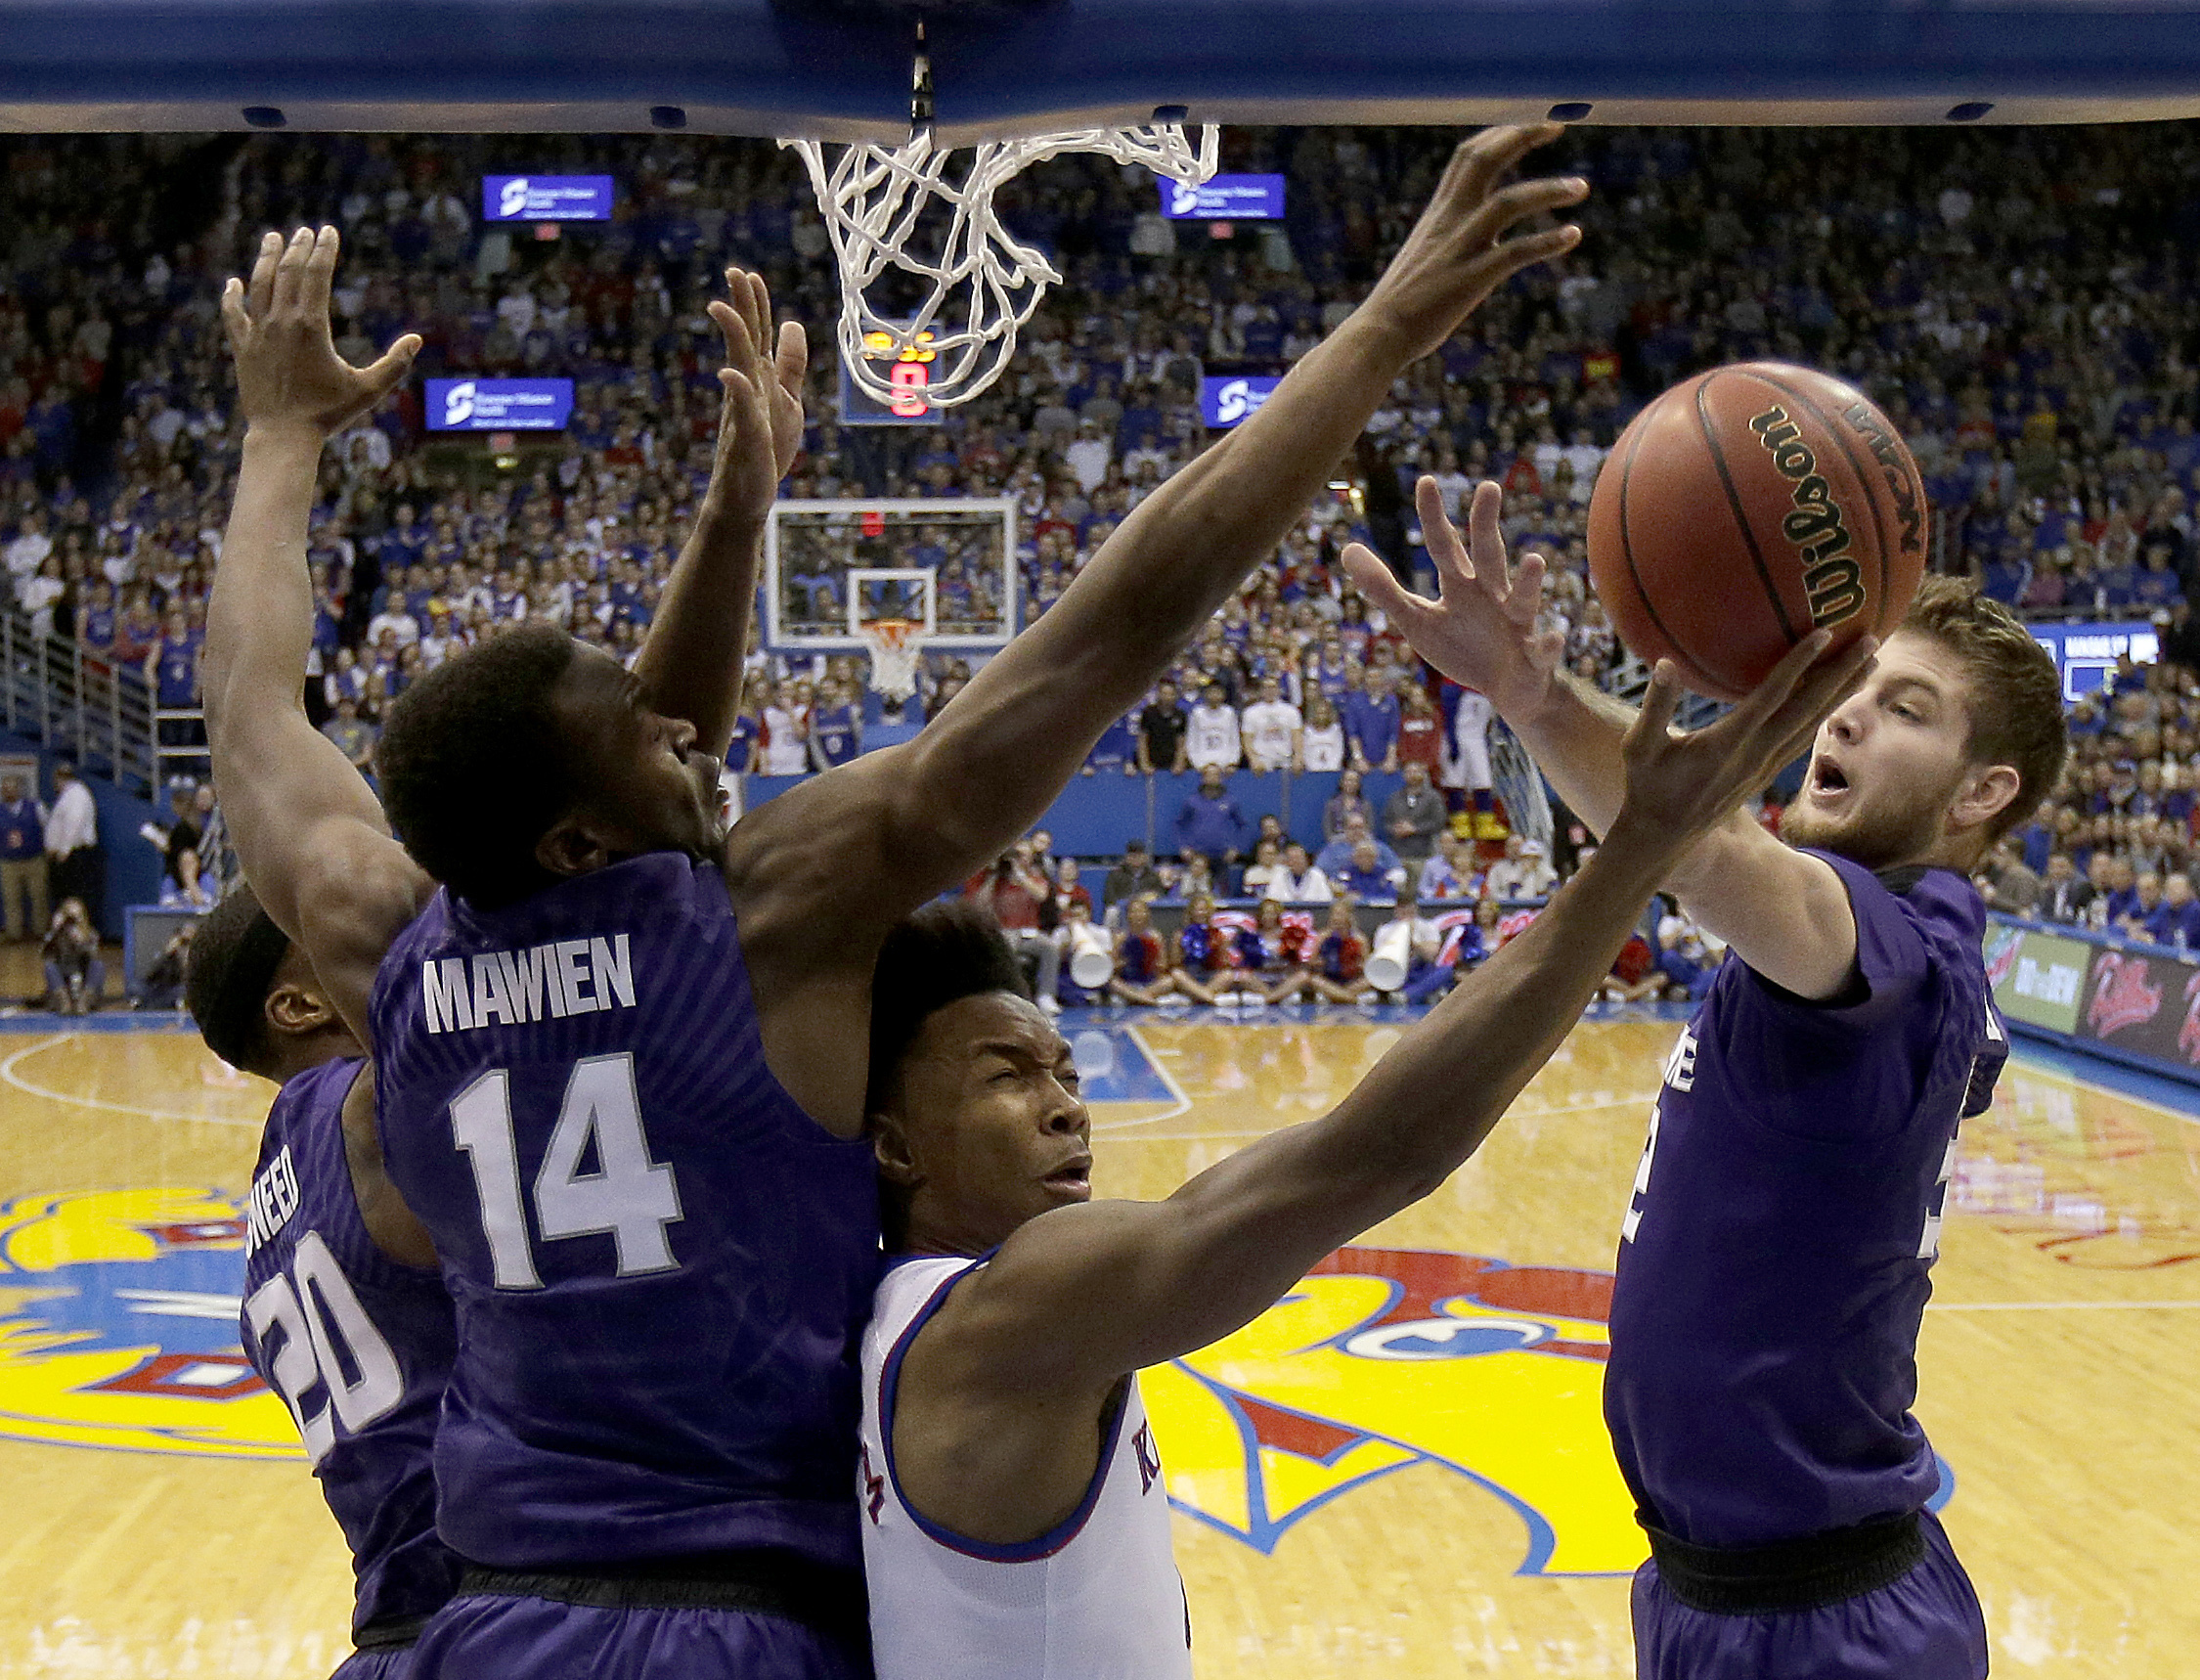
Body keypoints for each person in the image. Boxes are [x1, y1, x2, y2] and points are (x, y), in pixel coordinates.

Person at [223, 129, 1591, 1680]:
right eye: (645, 724)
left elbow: (258, 723)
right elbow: (1115, 625)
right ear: (576, 831)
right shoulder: (768, 918)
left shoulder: (387, 943)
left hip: (489, 1615)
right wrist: (1387, 323)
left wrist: (278, 439)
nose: (687, 725)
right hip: (739, 1625)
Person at [855, 636, 1857, 1675]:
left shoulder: (903, 1312)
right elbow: (1381, 1151)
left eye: (1065, 1072)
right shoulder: (1001, 1322)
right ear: (893, 1145)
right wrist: (1641, 843)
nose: (1067, 1108)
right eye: (1008, 1076)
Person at [1344, 468, 2067, 1680]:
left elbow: (1707, 851)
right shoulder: (1850, 947)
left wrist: (1527, 688)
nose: (1843, 719)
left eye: (1907, 708)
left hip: (1834, 1626)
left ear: (1982, 792)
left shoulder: (1903, 952)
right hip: (1700, 1591)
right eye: (1850, 688)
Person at [184, 883, 462, 1672]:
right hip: (498, 1609)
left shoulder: (263, 1246)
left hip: (393, 1635)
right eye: (336, 928)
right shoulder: (369, 1111)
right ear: (301, 1006)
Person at [45, 759, 100, 926]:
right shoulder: (68, 795)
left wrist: (64, 851)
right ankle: (69, 931)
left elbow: (74, 824)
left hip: (76, 854)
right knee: (67, 897)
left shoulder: (77, 794)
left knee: (75, 897)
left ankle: (79, 933)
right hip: (70, 854)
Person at [1173, 763, 1250, 875]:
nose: (1213, 778)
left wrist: (1236, 848)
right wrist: (1183, 847)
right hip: (1197, 856)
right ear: (1203, 778)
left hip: (1222, 857)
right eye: (1209, 774)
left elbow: (1243, 825)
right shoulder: (1192, 801)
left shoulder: (1230, 801)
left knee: (1221, 891)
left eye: (1216, 775)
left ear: (1221, 778)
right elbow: (1179, 825)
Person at [0, 773, 48, 942]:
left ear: (19, 789)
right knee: (11, 899)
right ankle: (14, 934)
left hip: (34, 859)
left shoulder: (35, 806)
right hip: (8, 862)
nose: (6, 791)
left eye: (10, 788)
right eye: (4, 788)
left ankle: (41, 931)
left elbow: (46, 828)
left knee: (39, 896)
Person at [41, 895, 103, 1013]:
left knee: (98, 965)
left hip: (82, 972)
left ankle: (85, 1001)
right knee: (49, 966)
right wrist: (55, 932)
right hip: (63, 972)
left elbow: (93, 955)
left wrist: (81, 942)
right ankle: (63, 1001)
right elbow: (45, 954)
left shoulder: (91, 934)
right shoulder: (55, 935)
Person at [1384, 760, 1447, 863]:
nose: (1412, 775)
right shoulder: (1394, 797)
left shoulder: (1433, 797)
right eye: (1408, 772)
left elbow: (1439, 822)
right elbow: (1386, 821)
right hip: (1398, 853)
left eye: (1415, 772)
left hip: (1424, 853)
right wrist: (1395, 829)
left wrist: (1415, 829)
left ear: (1422, 775)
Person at [1240, 675, 1302, 772]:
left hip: (1285, 760)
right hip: (1262, 762)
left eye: (1273, 687)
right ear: (1261, 690)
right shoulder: (1250, 712)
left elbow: (1297, 736)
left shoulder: (1291, 711)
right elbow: (1247, 740)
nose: (1269, 690)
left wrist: (1298, 758)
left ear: (1279, 689)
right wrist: (1253, 759)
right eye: (1266, 687)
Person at [1184, 679, 1243, 771]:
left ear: (1223, 695)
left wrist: (1232, 762)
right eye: (1211, 692)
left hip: (1225, 762)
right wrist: (1198, 764)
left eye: (1217, 692)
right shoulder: (1197, 713)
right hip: (1202, 762)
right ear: (1205, 694)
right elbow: (1191, 740)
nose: (1214, 695)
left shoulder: (1229, 713)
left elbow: (1235, 739)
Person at [1264, 840, 1333, 905]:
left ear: (1306, 859)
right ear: (1287, 861)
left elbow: (1326, 900)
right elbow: (1271, 900)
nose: (1296, 862)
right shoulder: (1280, 875)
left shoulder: (1317, 874)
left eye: (1298, 858)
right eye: (1292, 859)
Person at [1101, 839, 1163, 909]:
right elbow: (1109, 898)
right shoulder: (1115, 874)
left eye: (1139, 856)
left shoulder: (1153, 875)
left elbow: (1160, 895)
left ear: (1145, 857)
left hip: (1147, 909)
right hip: (1122, 908)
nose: (1136, 858)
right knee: (1112, 911)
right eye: (1132, 856)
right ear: (1126, 857)